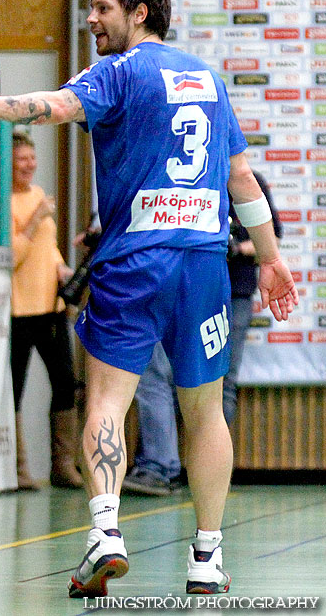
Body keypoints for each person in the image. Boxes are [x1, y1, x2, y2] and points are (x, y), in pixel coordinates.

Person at [0, 0, 298, 598]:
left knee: (106, 399)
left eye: (101, 9)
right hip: (205, 262)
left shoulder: (119, 72)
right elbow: (241, 180)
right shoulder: (206, 78)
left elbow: (51, 107)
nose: (91, 19)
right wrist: (270, 256)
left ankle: (103, 534)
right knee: (204, 412)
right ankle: (207, 557)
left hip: (134, 262)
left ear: (139, 12)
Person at [123, 171, 282, 497]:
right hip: (180, 286)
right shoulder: (176, 176)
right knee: (159, 377)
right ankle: (159, 466)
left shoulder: (248, 180)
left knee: (220, 383)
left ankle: (208, 466)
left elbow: (271, 237)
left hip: (231, 292)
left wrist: (237, 248)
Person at [9, 127, 82, 490]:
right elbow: (14, 255)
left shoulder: (38, 194)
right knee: (13, 387)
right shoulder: (9, 203)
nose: (29, 165)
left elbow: (46, 247)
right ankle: (18, 468)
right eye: (21, 159)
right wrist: (36, 218)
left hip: (50, 307)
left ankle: (63, 464)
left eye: (32, 158)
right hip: (18, 310)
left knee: (65, 382)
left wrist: (60, 267)